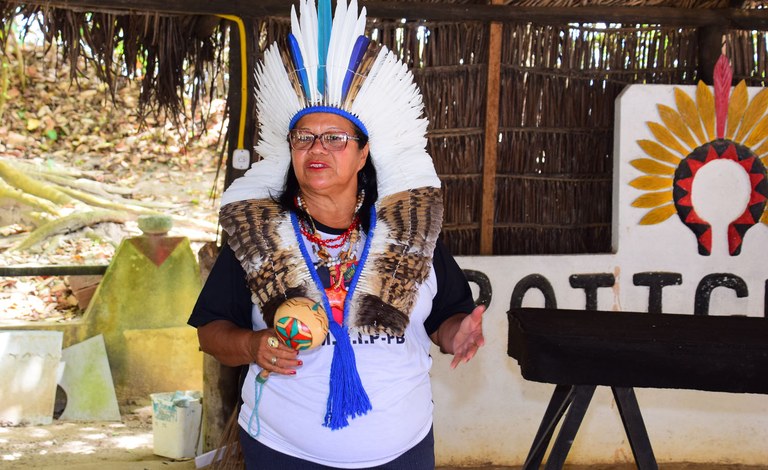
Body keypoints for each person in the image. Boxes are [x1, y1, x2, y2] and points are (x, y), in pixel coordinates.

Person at [188, 1, 485, 468]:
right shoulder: (260, 235)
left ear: (364, 153)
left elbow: (446, 317)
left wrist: (457, 335)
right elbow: (210, 332)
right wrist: (252, 346)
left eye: (335, 137)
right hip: (283, 451)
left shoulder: (411, 233)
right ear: (290, 150)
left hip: (403, 450)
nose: (317, 148)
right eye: (303, 137)